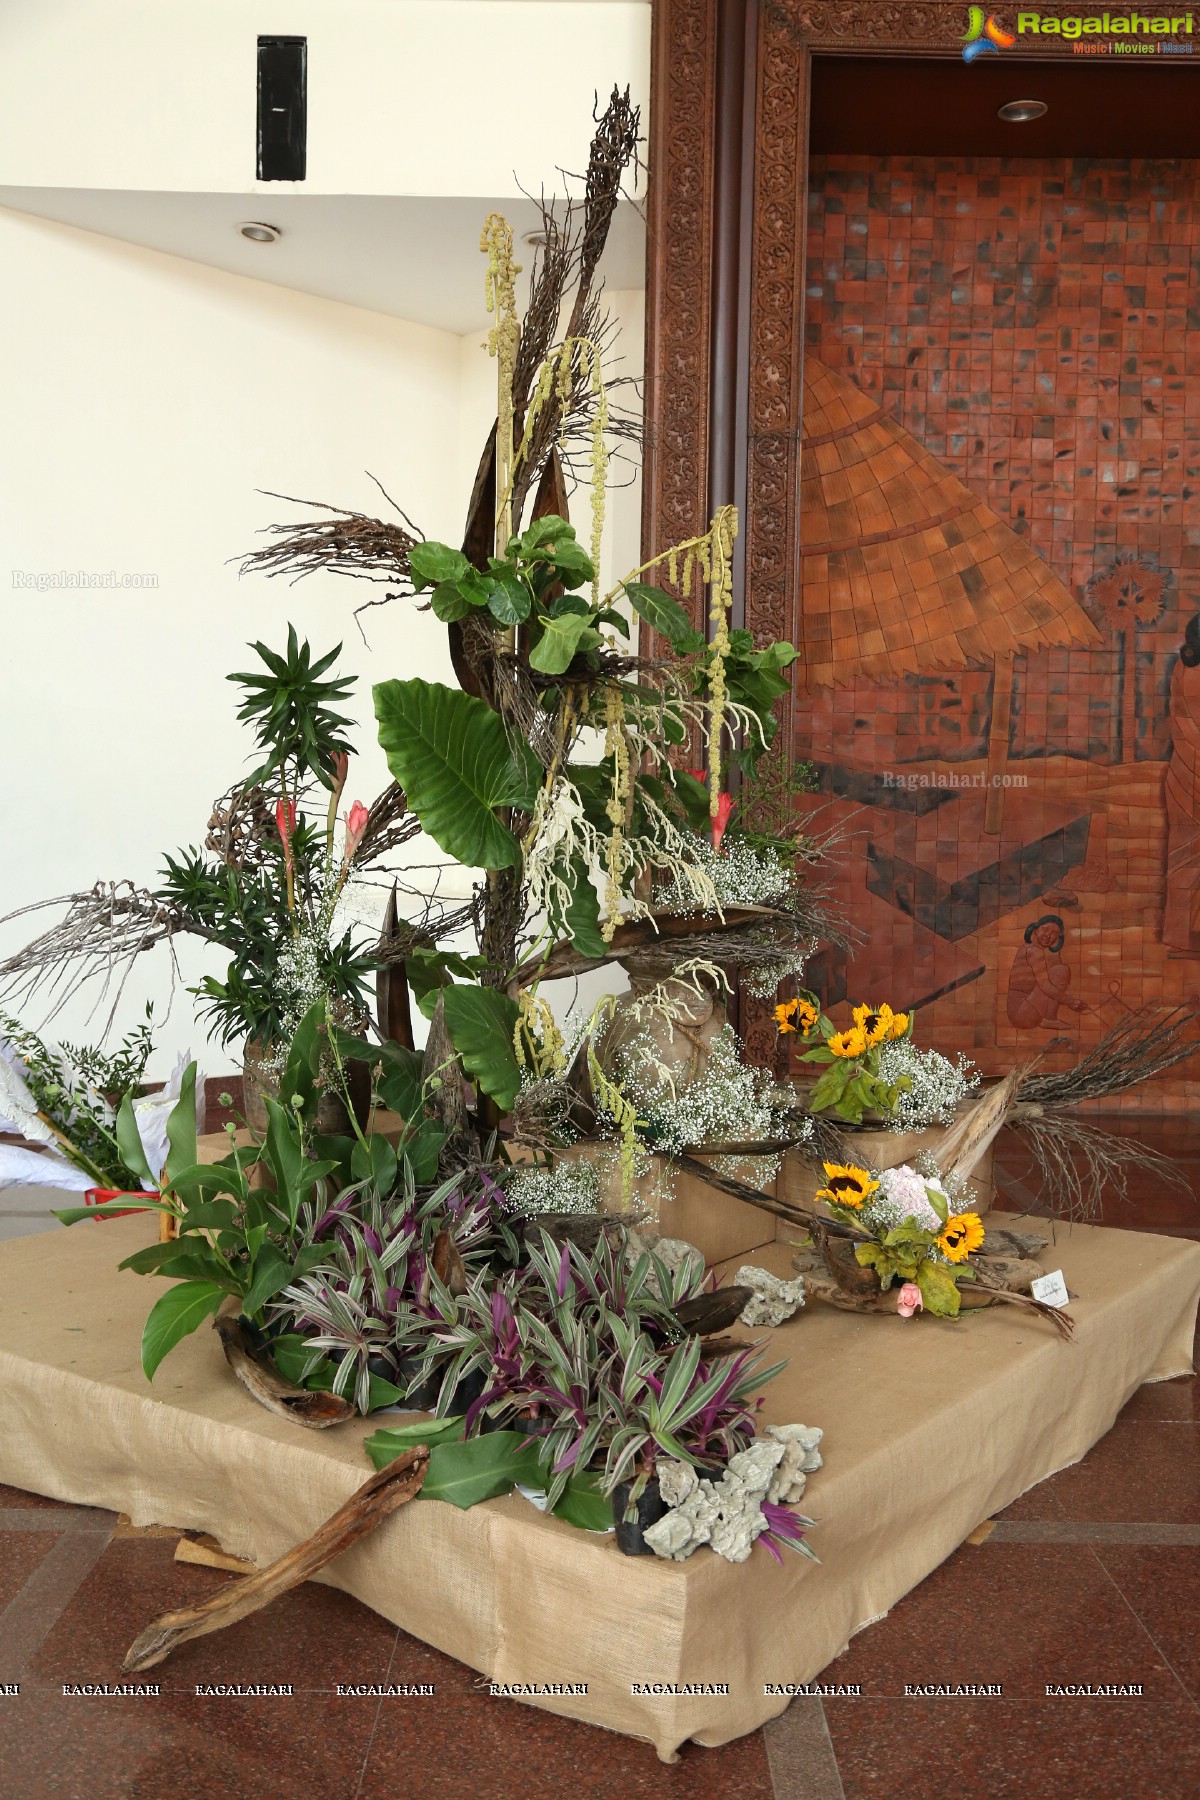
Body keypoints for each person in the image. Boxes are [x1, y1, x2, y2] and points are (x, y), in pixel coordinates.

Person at [1162, 615, 1200, 955]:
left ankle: (1179, 934)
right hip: (1193, 776)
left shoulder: (1182, 667)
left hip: (1182, 776)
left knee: (1182, 860)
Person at [1005, 915, 1087, 1030]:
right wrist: (1070, 1001)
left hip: (1024, 1011)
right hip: (1022, 1014)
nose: (1048, 935)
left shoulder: (1029, 948)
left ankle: (1049, 1018)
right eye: (1045, 929)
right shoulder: (1033, 951)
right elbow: (1044, 985)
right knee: (1061, 970)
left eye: (1054, 933)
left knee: (1055, 964)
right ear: (1035, 929)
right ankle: (1049, 1019)